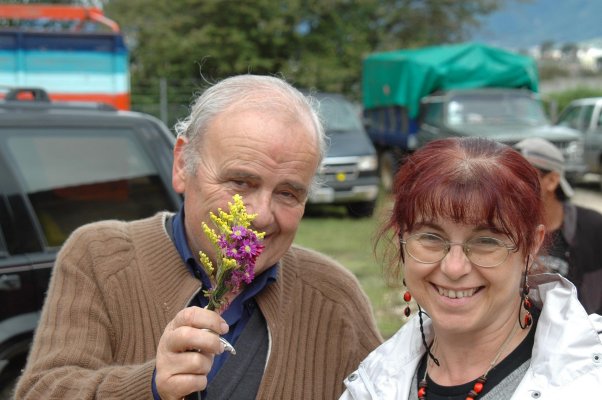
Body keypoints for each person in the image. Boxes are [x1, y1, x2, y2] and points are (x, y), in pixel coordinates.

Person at [15, 74, 382, 400]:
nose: (258, 215)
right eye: (240, 182)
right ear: (181, 165)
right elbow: (42, 391)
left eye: (288, 193)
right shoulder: (99, 257)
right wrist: (151, 386)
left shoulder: (334, 298)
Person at [340, 137, 602, 400]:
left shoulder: (590, 379)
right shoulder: (374, 380)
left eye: (486, 241)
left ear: (531, 245)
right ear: (401, 238)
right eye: (431, 237)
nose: (454, 268)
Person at [515, 137, 602, 314]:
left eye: (523, 177)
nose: (512, 185)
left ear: (552, 180)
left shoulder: (592, 227)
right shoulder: (504, 227)